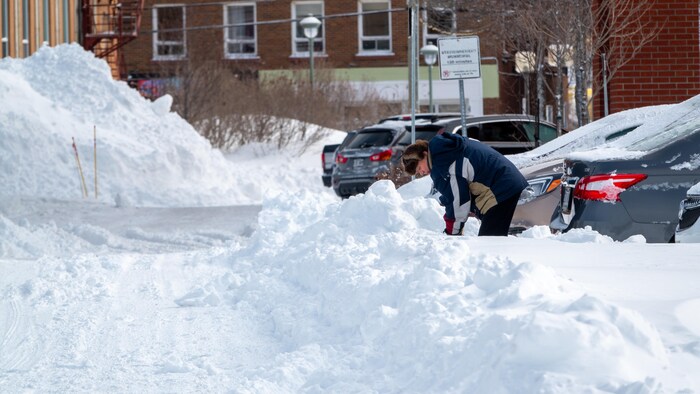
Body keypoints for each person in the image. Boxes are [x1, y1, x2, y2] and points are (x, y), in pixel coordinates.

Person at [401, 132, 528, 236]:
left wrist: (452, 233)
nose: (422, 173)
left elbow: (459, 201)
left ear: (424, 154)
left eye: (419, 168)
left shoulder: (444, 162)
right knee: (493, 240)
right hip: (505, 181)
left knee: (490, 242)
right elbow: (454, 191)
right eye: (418, 173)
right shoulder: (446, 150)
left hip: (500, 188)